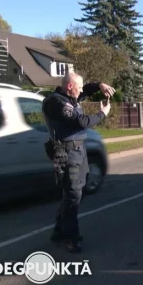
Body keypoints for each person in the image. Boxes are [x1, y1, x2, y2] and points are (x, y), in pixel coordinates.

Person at [42, 72, 114, 253]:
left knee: (74, 193)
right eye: (79, 87)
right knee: (73, 195)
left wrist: (99, 85)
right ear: (69, 86)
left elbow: (87, 90)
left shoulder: (70, 97)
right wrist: (102, 113)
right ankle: (71, 239)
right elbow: (82, 122)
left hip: (78, 151)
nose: (81, 91)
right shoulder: (57, 103)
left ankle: (59, 232)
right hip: (65, 152)